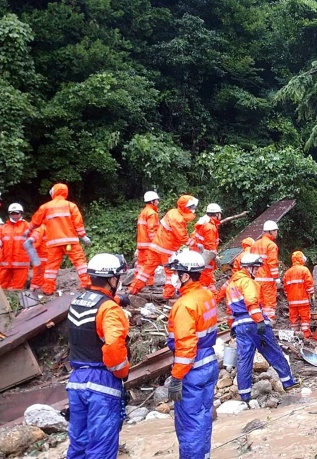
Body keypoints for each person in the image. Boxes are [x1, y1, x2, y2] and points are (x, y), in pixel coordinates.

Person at [65, 253, 130, 458]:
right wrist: (121, 372)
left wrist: (119, 300)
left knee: (79, 444)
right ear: (112, 279)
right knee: (101, 446)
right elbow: (113, 346)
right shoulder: (110, 310)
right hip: (101, 382)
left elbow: (95, 304)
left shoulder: (77, 302)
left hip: (76, 380)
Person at [225, 253, 300, 402]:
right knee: (273, 352)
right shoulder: (248, 282)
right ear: (249, 267)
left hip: (240, 326)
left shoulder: (231, 285)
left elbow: (229, 311)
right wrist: (259, 321)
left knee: (244, 359)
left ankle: (244, 393)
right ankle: (288, 381)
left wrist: (232, 327)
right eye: (256, 267)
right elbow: (252, 302)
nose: (257, 271)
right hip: (254, 324)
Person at [165, 250, 218, 459]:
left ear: (185, 275)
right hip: (208, 364)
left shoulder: (184, 305)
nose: (173, 277)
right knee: (203, 417)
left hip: (192, 369)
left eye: (176, 273)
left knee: (189, 423)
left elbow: (186, 347)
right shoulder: (206, 295)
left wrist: (177, 377)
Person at [129, 195, 198, 300]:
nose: (192, 210)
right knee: (170, 273)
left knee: (145, 270)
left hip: (156, 246)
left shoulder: (172, 212)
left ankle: (133, 289)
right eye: (191, 207)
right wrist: (194, 244)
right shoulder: (178, 218)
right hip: (167, 250)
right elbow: (182, 236)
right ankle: (168, 295)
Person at [28, 183, 91, 295]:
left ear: (53, 192)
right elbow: (78, 221)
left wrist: (29, 229)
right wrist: (83, 236)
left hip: (54, 243)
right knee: (80, 263)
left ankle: (48, 289)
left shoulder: (46, 207)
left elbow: (35, 221)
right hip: (70, 241)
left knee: (51, 268)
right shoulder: (71, 205)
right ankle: (87, 284)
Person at [248, 220, 280, 321]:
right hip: (267, 281)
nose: (276, 233)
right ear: (270, 231)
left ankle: (258, 322)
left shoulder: (255, 245)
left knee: (258, 302)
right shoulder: (271, 245)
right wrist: (276, 278)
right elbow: (272, 263)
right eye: (275, 231)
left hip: (256, 279)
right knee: (269, 304)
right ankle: (268, 323)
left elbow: (251, 263)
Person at [283, 250, 315, 339]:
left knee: (293, 319)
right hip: (303, 300)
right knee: (305, 319)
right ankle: (305, 335)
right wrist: (311, 294)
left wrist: (289, 297)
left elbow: (285, 288)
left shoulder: (288, 272)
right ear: (301, 259)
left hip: (292, 302)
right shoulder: (304, 270)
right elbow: (309, 284)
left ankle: (294, 335)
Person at [192, 203, 222, 291]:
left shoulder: (203, 223)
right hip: (206, 258)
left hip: (199, 254)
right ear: (217, 214)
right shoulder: (210, 227)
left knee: (201, 278)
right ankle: (207, 298)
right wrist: (215, 257)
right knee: (206, 280)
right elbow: (210, 245)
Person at [0, 203, 31, 289]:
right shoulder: (3, 228)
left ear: (21, 213)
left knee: (17, 289)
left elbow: (36, 241)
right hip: (5, 263)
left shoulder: (27, 226)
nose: (15, 215)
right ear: (9, 214)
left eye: (17, 213)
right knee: (1, 288)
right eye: (12, 213)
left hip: (20, 263)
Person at [135, 191, 160, 286]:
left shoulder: (143, 212)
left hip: (141, 244)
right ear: (152, 201)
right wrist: (156, 244)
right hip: (149, 245)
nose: (158, 201)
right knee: (149, 266)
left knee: (140, 266)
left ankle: (137, 283)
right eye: (157, 200)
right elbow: (152, 230)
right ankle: (149, 285)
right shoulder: (152, 213)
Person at [27, 225, 48, 291]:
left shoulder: (46, 228)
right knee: (39, 273)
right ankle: (33, 290)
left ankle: (38, 288)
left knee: (41, 273)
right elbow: (36, 241)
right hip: (41, 255)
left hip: (44, 255)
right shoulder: (42, 227)